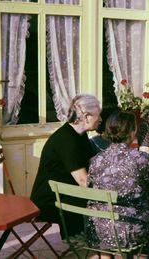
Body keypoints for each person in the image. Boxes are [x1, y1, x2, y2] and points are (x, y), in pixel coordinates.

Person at [85, 110, 149, 257]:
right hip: (130, 232)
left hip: (97, 230)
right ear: (133, 132)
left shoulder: (96, 160)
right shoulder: (140, 158)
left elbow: (90, 186)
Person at [30, 94, 101, 237]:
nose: (100, 119)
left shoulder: (79, 135)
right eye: (98, 115)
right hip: (50, 200)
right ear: (86, 117)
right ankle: (101, 245)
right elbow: (83, 181)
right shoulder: (67, 140)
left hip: (66, 191)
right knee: (108, 205)